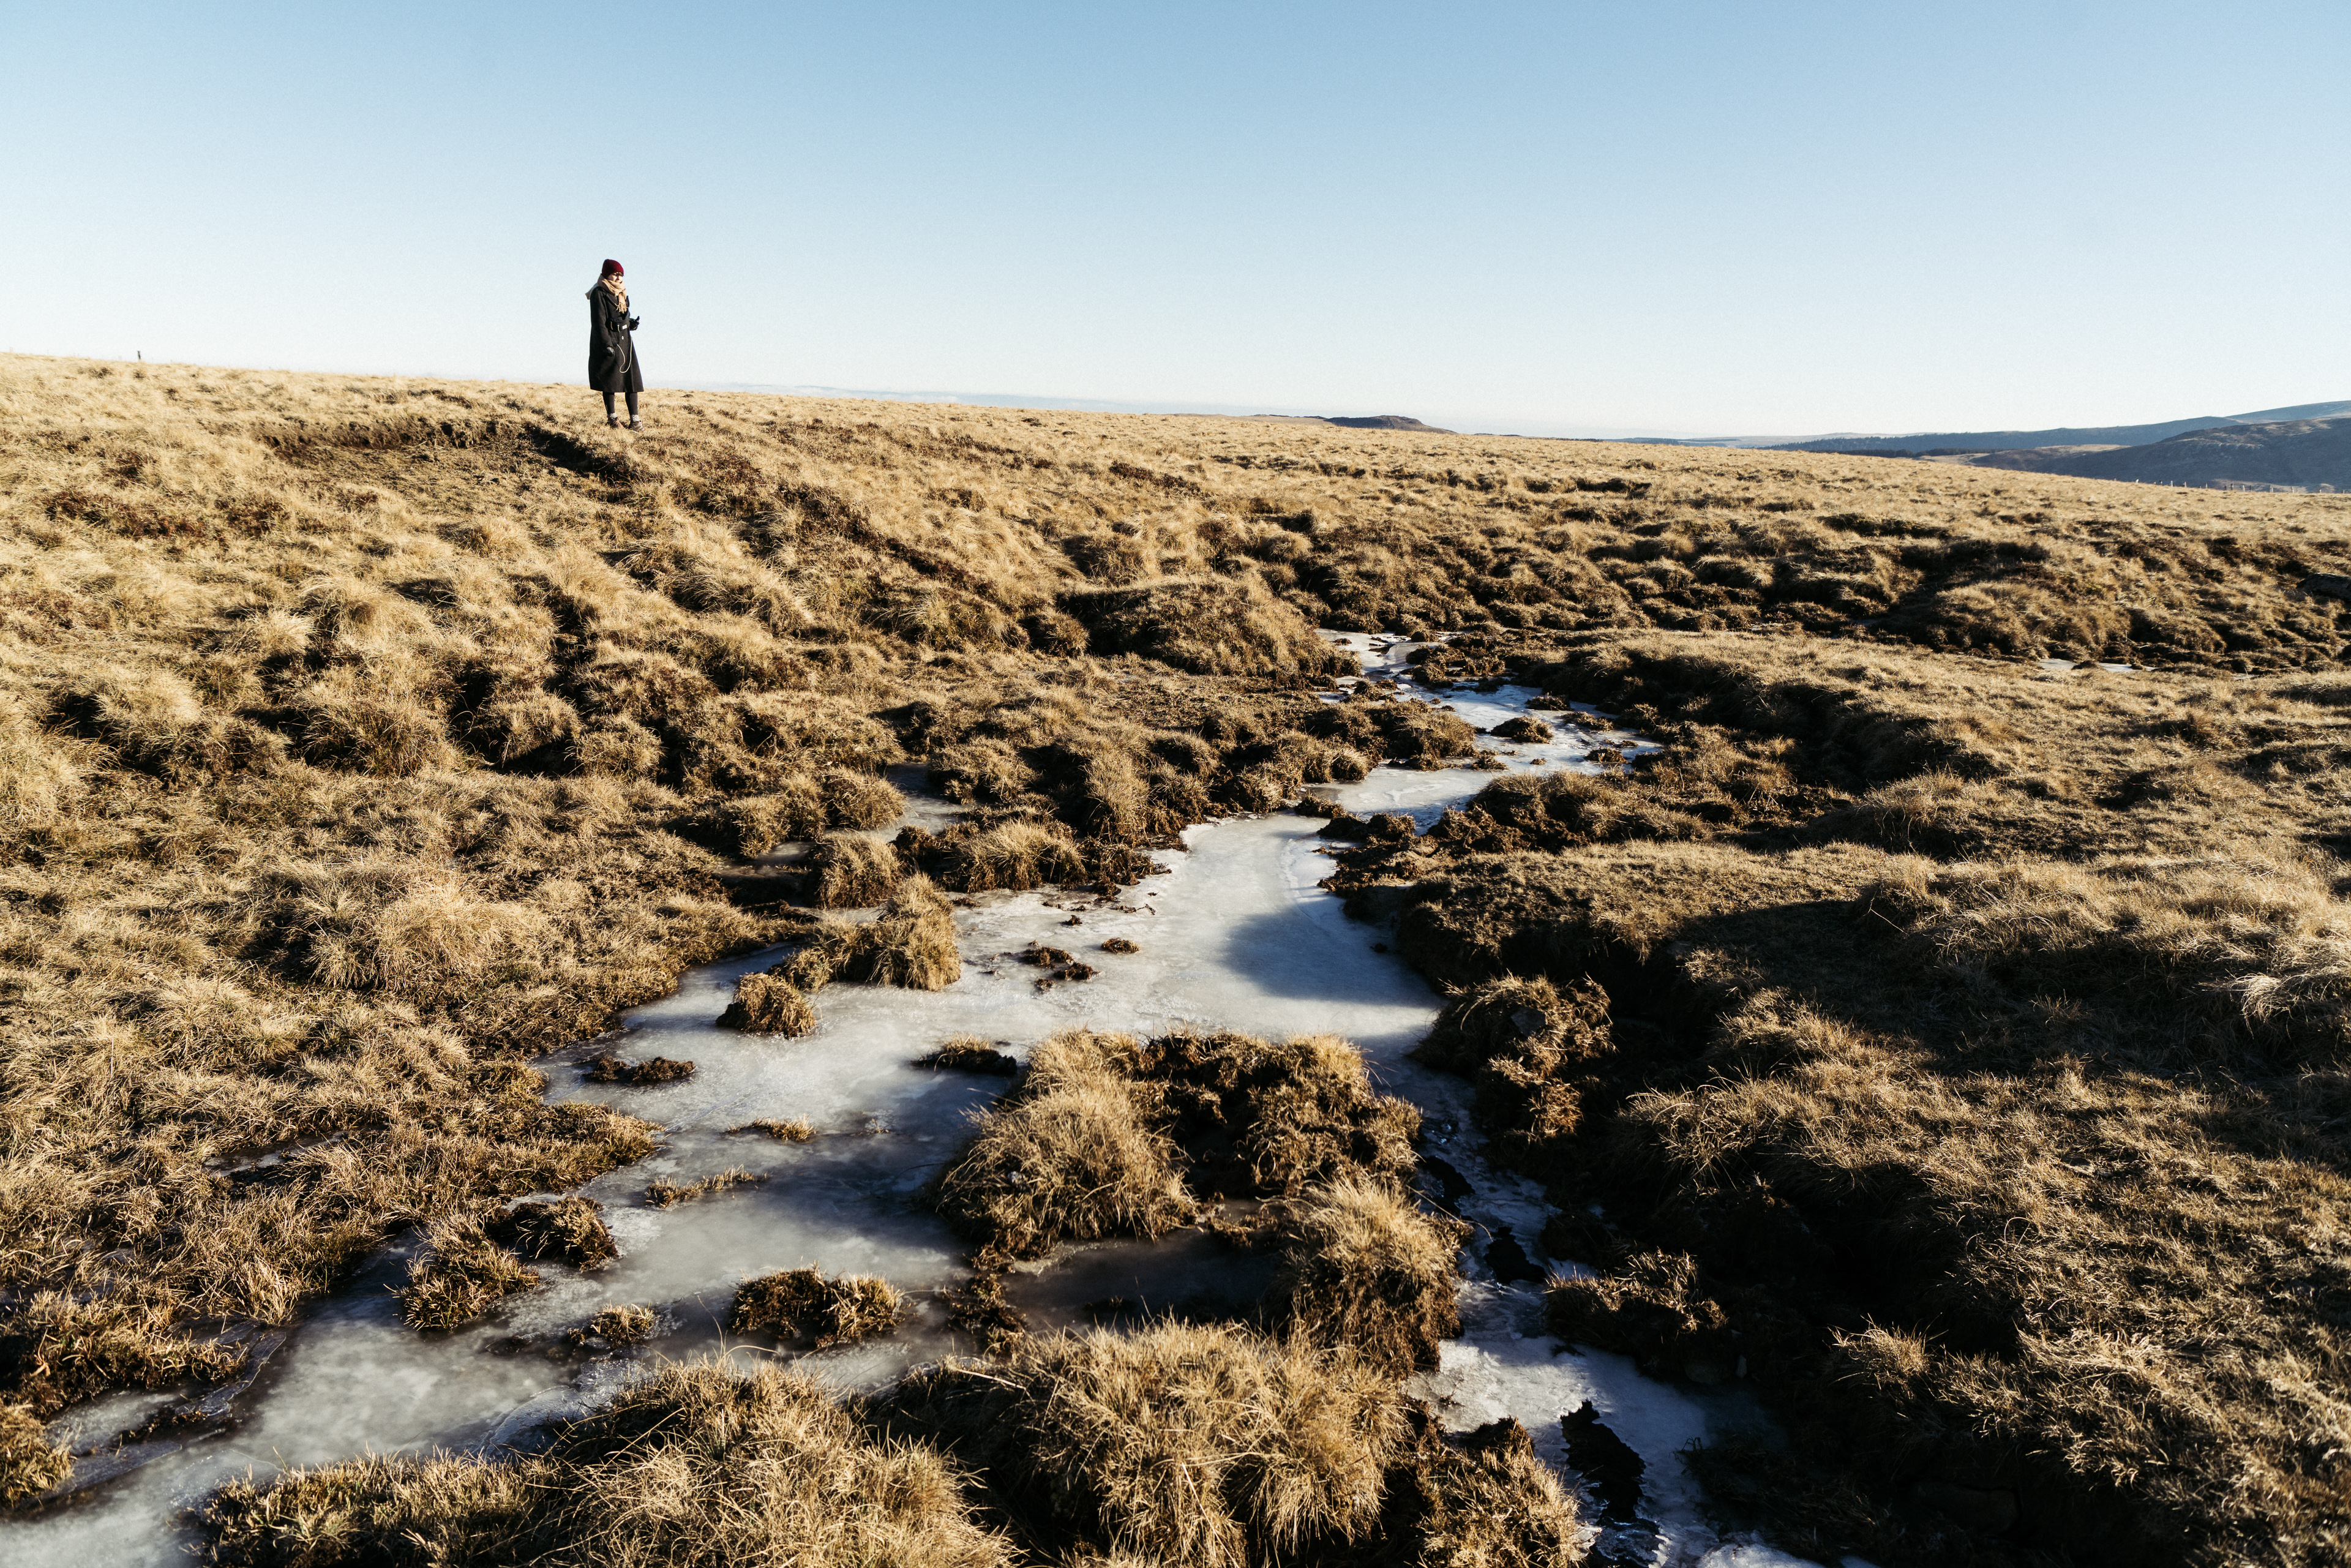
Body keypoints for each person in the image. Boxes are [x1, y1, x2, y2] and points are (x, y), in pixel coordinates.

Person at [587, 259, 644, 429]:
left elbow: (622, 316)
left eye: (621, 275)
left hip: (625, 341)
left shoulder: (622, 293)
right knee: (609, 381)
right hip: (609, 341)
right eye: (615, 274)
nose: (619, 278)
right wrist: (606, 345)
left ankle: (635, 421)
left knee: (631, 381)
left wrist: (630, 323)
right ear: (606, 274)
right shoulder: (599, 293)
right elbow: (599, 321)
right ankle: (613, 419)